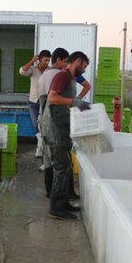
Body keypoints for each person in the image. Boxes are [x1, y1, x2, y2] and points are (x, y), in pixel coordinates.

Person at [45, 51, 91, 220]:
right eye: (84, 66)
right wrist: (74, 102)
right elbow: (52, 98)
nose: (85, 70)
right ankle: (56, 208)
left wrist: (77, 106)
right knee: (61, 167)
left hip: (64, 127)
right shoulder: (62, 76)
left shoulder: (70, 78)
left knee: (66, 168)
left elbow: (65, 100)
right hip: (56, 128)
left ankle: (63, 203)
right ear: (77, 61)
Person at [38, 48, 83, 200]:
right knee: (59, 162)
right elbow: (52, 99)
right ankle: (58, 197)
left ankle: (57, 194)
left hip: (53, 122)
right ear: (60, 60)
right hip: (53, 123)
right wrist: (75, 103)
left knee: (56, 160)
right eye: (65, 60)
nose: (66, 64)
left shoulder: (52, 75)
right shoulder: (58, 75)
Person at [19, 50, 51, 159]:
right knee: (35, 124)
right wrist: (32, 60)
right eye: (45, 60)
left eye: (49, 60)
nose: (47, 62)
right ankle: (40, 145)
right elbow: (22, 71)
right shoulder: (32, 69)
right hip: (33, 101)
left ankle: (40, 148)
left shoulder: (49, 71)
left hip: (45, 101)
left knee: (44, 124)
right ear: (40, 59)